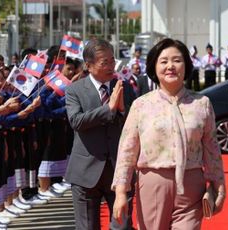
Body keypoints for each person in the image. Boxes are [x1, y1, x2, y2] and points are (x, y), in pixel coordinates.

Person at [112, 38, 226, 230]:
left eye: (177, 60)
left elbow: (212, 150)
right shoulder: (141, 105)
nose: (170, 66)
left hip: (191, 186)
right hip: (153, 184)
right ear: (154, 67)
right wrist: (121, 192)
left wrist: (219, 186)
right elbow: (127, 151)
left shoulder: (202, 104)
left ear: (186, 66)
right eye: (164, 61)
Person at [65, 38, 136, 230]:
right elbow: (76, 121)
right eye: (105, 62)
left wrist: (122, 111)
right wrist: (109, 108)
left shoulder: (124, 87)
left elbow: (136, 123)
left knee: (123, 225)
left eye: (113, 61)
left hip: (119, 171)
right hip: (85, 172)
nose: (111, 66)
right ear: (88, 65)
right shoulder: (74, 90)